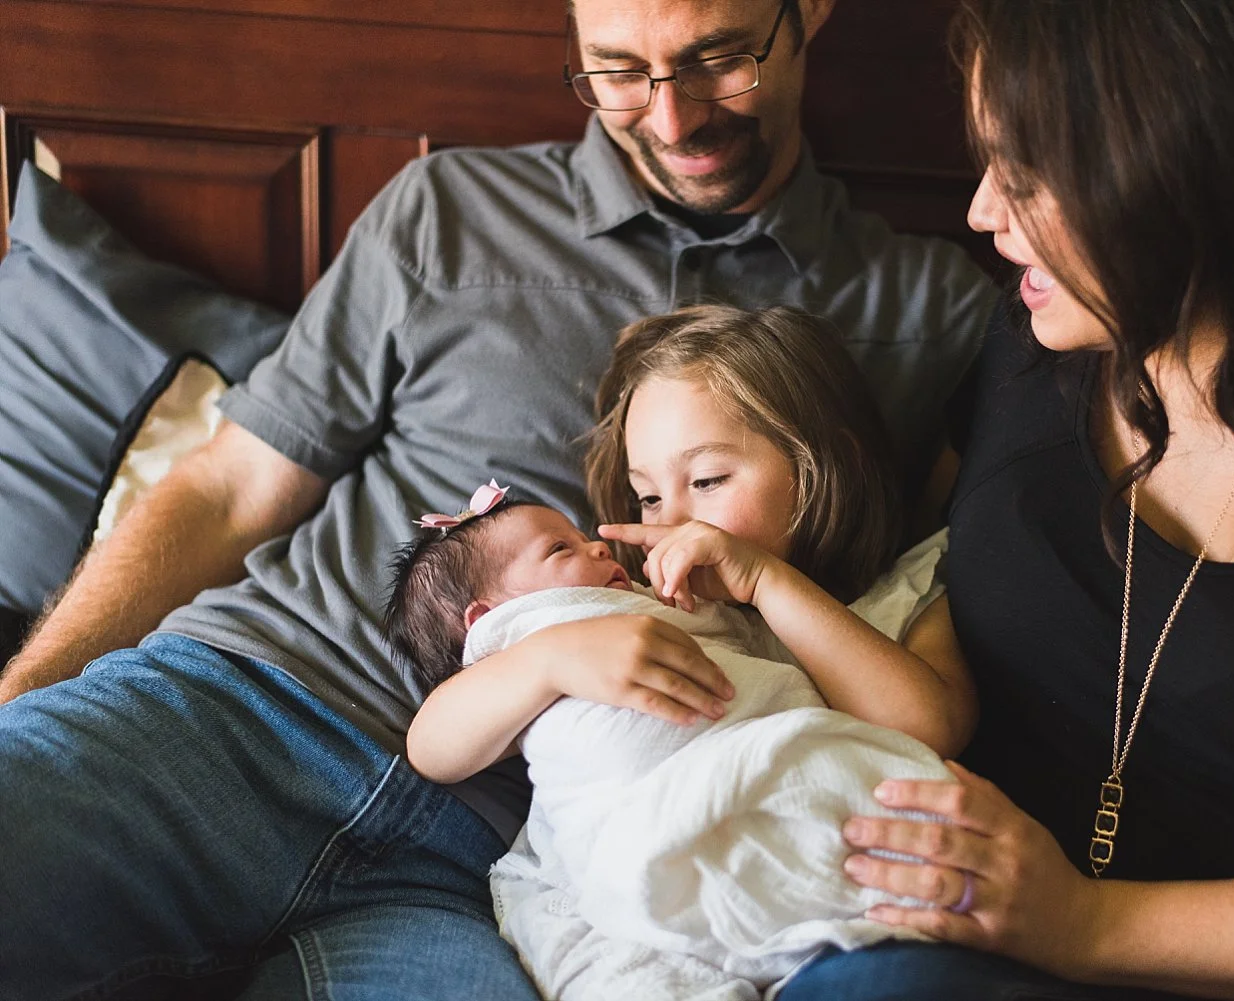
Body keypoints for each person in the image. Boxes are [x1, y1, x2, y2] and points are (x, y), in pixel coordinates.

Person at [0, 1, 995, 997]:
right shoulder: (448, 210)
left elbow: (951, 595)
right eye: (616, 70)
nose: (672, 117)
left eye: (719, 57)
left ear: (809, 11)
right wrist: (26, 686)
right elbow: (229, 487)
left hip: (494, 859)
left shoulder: (927, 308)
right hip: (236, 706)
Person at [777, 1, 1234, 999]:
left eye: (1023, 178)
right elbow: (902, 566)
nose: (984, 211)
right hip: (974, 925)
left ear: (1170, 174)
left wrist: (1085, 918)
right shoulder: (1041, 334)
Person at [391, 305, 972, 999]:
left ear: (824, 467)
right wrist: (550, 658)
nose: (670, 520)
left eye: (708, 481)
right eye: (647, 496)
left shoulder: (904, 597)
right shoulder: (611, 612)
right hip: (629, 902)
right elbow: (431, 745)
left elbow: (927, 728)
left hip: (808, 878)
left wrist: (764, 579)